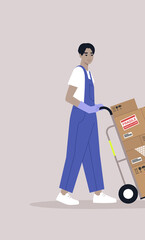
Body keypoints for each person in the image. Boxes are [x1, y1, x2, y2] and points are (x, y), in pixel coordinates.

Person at [56, 43, 117, 205]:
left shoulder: (90, 73)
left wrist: (95, 107)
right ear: (80, 55)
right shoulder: (77, 71)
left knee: (92, 154)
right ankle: (63, 193)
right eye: (86, 54)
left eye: (91, 54)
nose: (89, 57)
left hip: (91, 117)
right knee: (75, 153)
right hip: (80, 117)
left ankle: (98, 193)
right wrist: (86, 108)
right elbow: (69, 97)